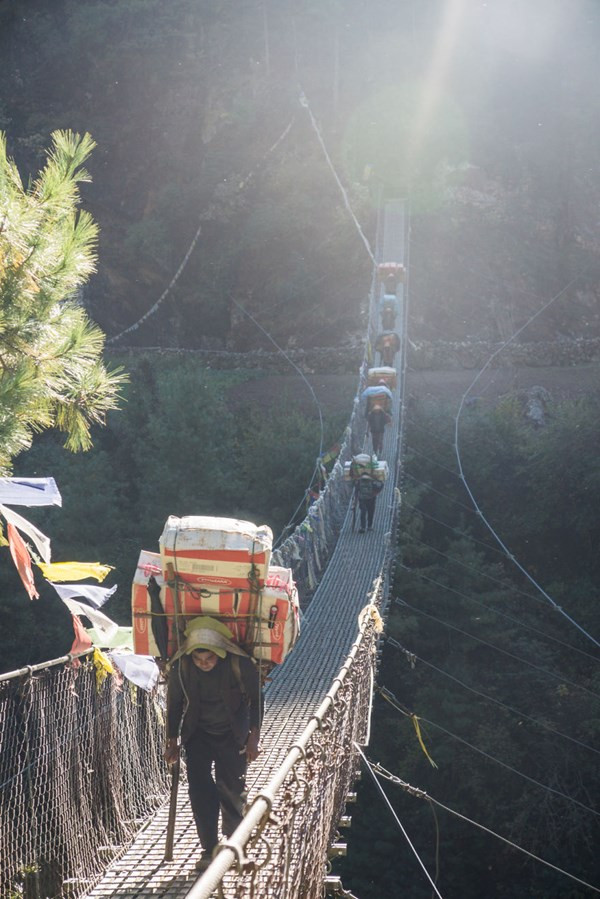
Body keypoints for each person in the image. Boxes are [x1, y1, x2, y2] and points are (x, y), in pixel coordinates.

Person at [164, 617, 262, 872]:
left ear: (220, 653)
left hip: (233, 733)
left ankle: (235, 845)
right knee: (199, 791)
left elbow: (256, 700)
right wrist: (172, 740)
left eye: (209, 658)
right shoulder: (181, 667)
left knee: (232, 789)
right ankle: (209, 849)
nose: (203, 663)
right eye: (198, 659)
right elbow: (174, 704)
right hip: (198, 734)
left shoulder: (239, 664)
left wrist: (254, 737)